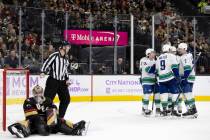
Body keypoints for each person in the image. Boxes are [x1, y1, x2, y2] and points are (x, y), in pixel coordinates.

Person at [7, 85, 87, 138]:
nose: (38, 94)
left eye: (39, 92)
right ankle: (20, 129)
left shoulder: (48, 100)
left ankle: (75, 129)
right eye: (36, 93)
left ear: (42, 92)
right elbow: (30, 115)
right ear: (33, 93)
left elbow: (55, 111)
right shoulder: (29, 101)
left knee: (59, 120)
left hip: (48, 122)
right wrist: (38, 108)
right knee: (31, 122)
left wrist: (50, 114)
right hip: (34, 122)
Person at [40, 40, 71, 119]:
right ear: (63, 47)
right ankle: (43, 117)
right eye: (68, 47)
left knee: (66, 99)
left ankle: (60, 117)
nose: (69, 49)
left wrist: (67, 79)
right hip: (53, 81)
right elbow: (46, 63)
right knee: (47, 100)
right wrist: (43, 71)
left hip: (62, 82)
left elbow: (65, 70)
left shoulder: (66, 58)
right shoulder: (55, 55)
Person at [156, 44, 181, 117]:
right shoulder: (171, 56)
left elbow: (157, 70)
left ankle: (164, 110)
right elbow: (174, 67)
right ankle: (174, 109)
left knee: (163, 94)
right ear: (169, 50)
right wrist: (177, 76)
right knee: (175, 93)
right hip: (170, 78)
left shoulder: (159, 57)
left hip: (161, 79)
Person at [177, 43, 198, 118]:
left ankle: (192, 110)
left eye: (180, 49)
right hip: (190, 77)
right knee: (186, 94)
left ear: (184, 49)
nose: (178, 50)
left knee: (187, 94)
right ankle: (191, 110)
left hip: (187, 78)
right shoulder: (189, 55)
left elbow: (187, 68)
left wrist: (184, 78)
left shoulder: (184, 57)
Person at [139, 48, 161, 116]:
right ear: (148, 54)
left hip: (154, 80)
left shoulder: (155, 60)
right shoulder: (144, 60)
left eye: (154, 52)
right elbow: (148, 70)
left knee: (157, 94)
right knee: (147, 95)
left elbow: (157, 71)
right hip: (146, 80)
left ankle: (158, 109)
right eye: (152, 52)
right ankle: (145, 109)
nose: (154, 54)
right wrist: (155, 66)